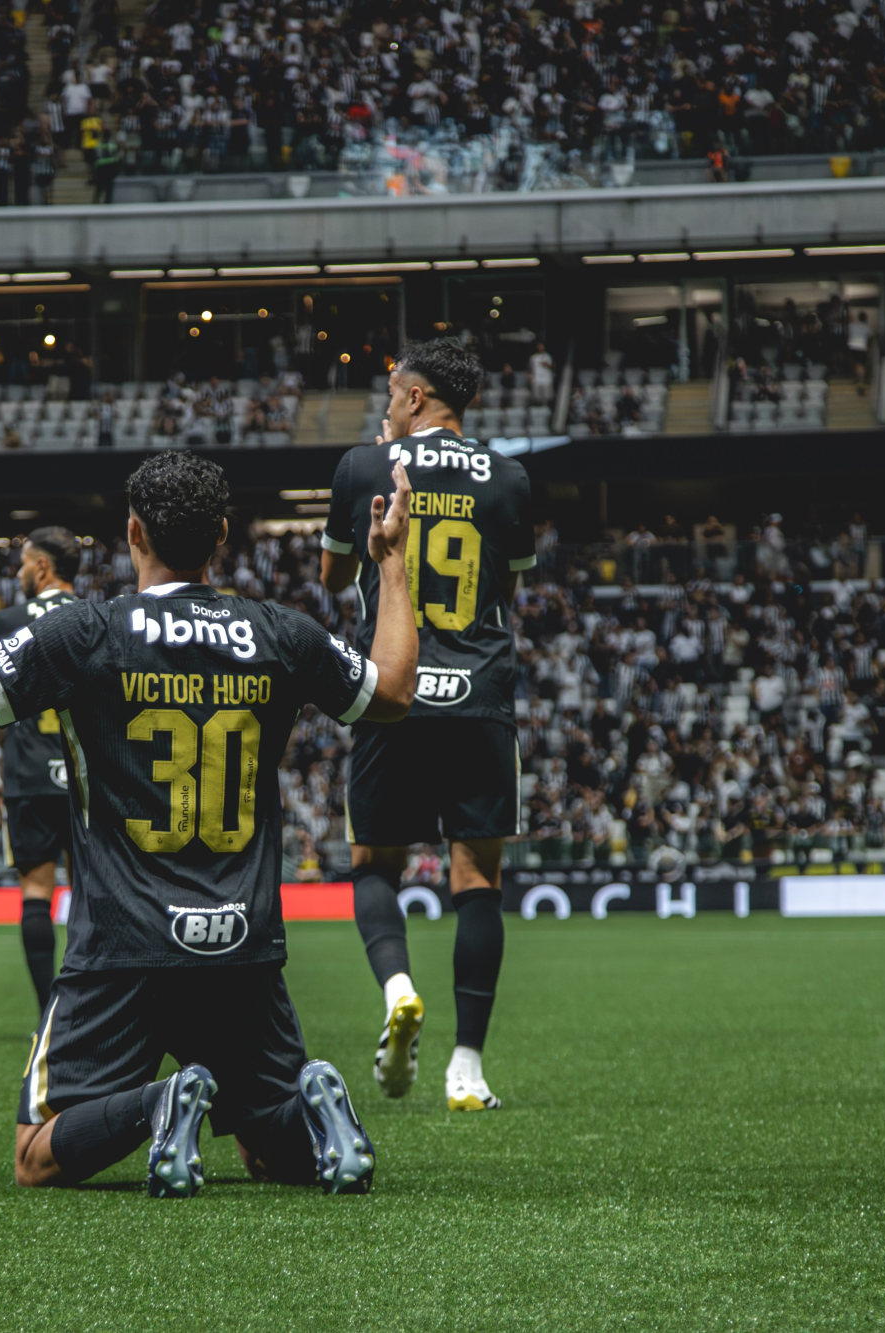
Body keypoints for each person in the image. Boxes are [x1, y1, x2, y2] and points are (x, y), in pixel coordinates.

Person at [0, 449, 418, 1196]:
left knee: (35, 1155)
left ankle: (159, 1102)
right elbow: (394, 692)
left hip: (122, 949)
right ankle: (309, 1113)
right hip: (243, 950)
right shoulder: (281, 632)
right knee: (265, 1152)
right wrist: (390, 565)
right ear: (222, 536)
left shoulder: (85, 632)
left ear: (134, 532)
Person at [321, 337, 536, 1113]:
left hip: (393, 689)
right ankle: (467, 1068)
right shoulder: (510, 477)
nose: (384, 404)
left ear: (415, 399)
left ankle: (399, 990)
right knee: (478, 881)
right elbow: (506, 585)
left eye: (391, 392)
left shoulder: (364, 467)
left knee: (375, 864)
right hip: (479, 695)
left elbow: (333, 576)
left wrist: (380, 474)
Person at [0, 527, 82, 1017]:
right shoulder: (101, 616)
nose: (17, 573)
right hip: (89, 782)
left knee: (37, 890)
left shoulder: (8, 622)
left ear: (41, 567)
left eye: (22, 563)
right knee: (94, 892)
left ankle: (49, 1017)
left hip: (30, 778)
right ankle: (93, 1010)